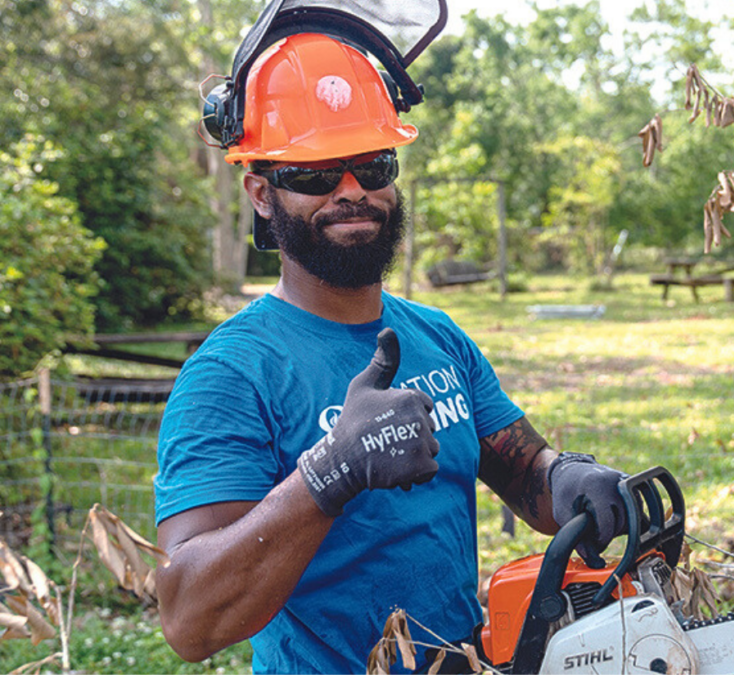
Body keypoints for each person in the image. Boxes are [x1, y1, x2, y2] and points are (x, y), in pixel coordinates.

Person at [152, 23, 630, 675]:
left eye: (373, 163)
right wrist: (332, 471)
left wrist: (568, 475)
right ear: (261, 192)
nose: (352, 189)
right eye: (315, 171)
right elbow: (189, 619)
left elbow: (524, 474)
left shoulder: (437, 335)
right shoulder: (231, 374)